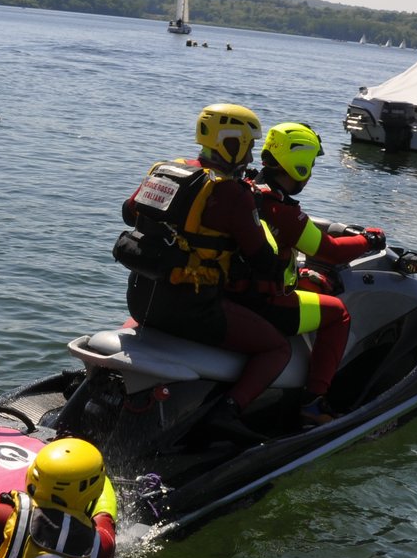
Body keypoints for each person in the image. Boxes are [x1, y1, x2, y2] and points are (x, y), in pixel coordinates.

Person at [120, 103, 291, 443]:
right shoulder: (231, 191)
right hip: (193, 310)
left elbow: (129, 214)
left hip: (141, 301)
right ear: (233, 141)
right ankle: (227, 410)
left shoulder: (166, 170)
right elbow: (262, 260)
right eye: (250, 144)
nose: (251, 154)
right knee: (277, 348)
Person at [239, 122, 385, 424]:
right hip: (261, 303)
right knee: (337, 314)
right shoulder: (282, 210)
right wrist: (367, 239)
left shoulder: (247, 188)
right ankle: (314, 401)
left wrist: (301, 274)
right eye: (312, 163)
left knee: (310, 281)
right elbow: (329, 250)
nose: (313, 170)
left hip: (235, 289)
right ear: (300, 164)